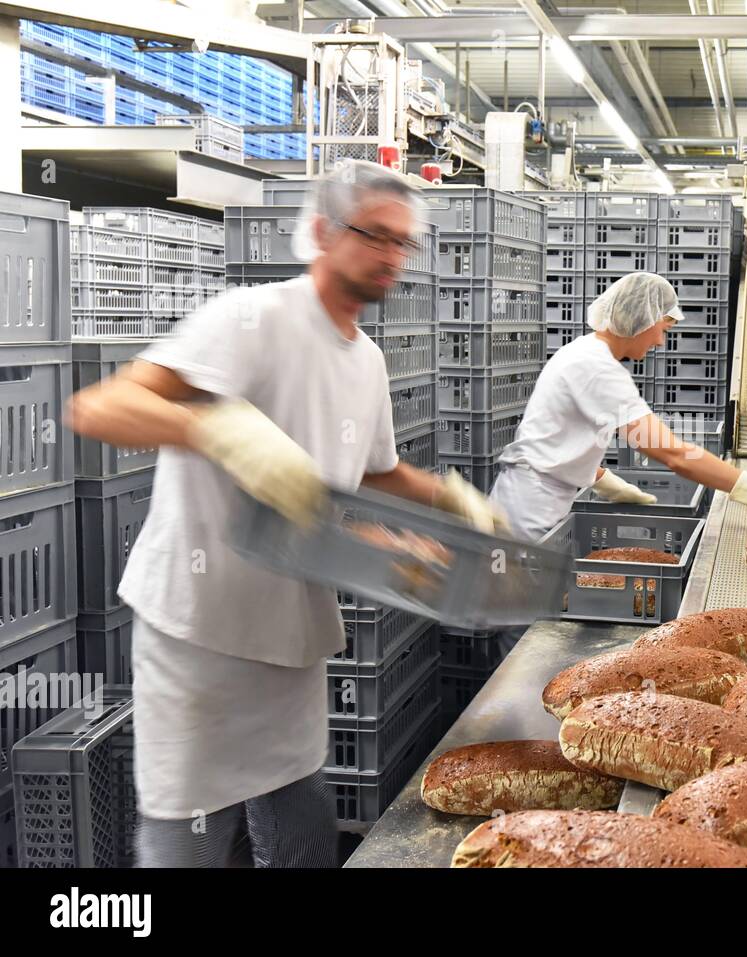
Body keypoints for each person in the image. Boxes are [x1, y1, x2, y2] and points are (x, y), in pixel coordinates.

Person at [64, 160, 501, 868]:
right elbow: (101, 406)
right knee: (193, 829)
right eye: (375, 236)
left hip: (290, 620)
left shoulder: (365, 360)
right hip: (201, 625)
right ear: (324, 233)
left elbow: (374, 472)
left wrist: (452, 501)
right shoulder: (250, 319)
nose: (392, 255)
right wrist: (219, 431)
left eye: (403, 243)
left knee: (297, 807)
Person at [489, 271, 747, 541]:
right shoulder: (596, 368)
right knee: (521, 621)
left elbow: (558, 436)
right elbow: (674, 454)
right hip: (530, 513)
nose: (659, 341)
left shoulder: (585, 353)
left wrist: (606, 481)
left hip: (539, 499)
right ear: (638, 319)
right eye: (662, 328)